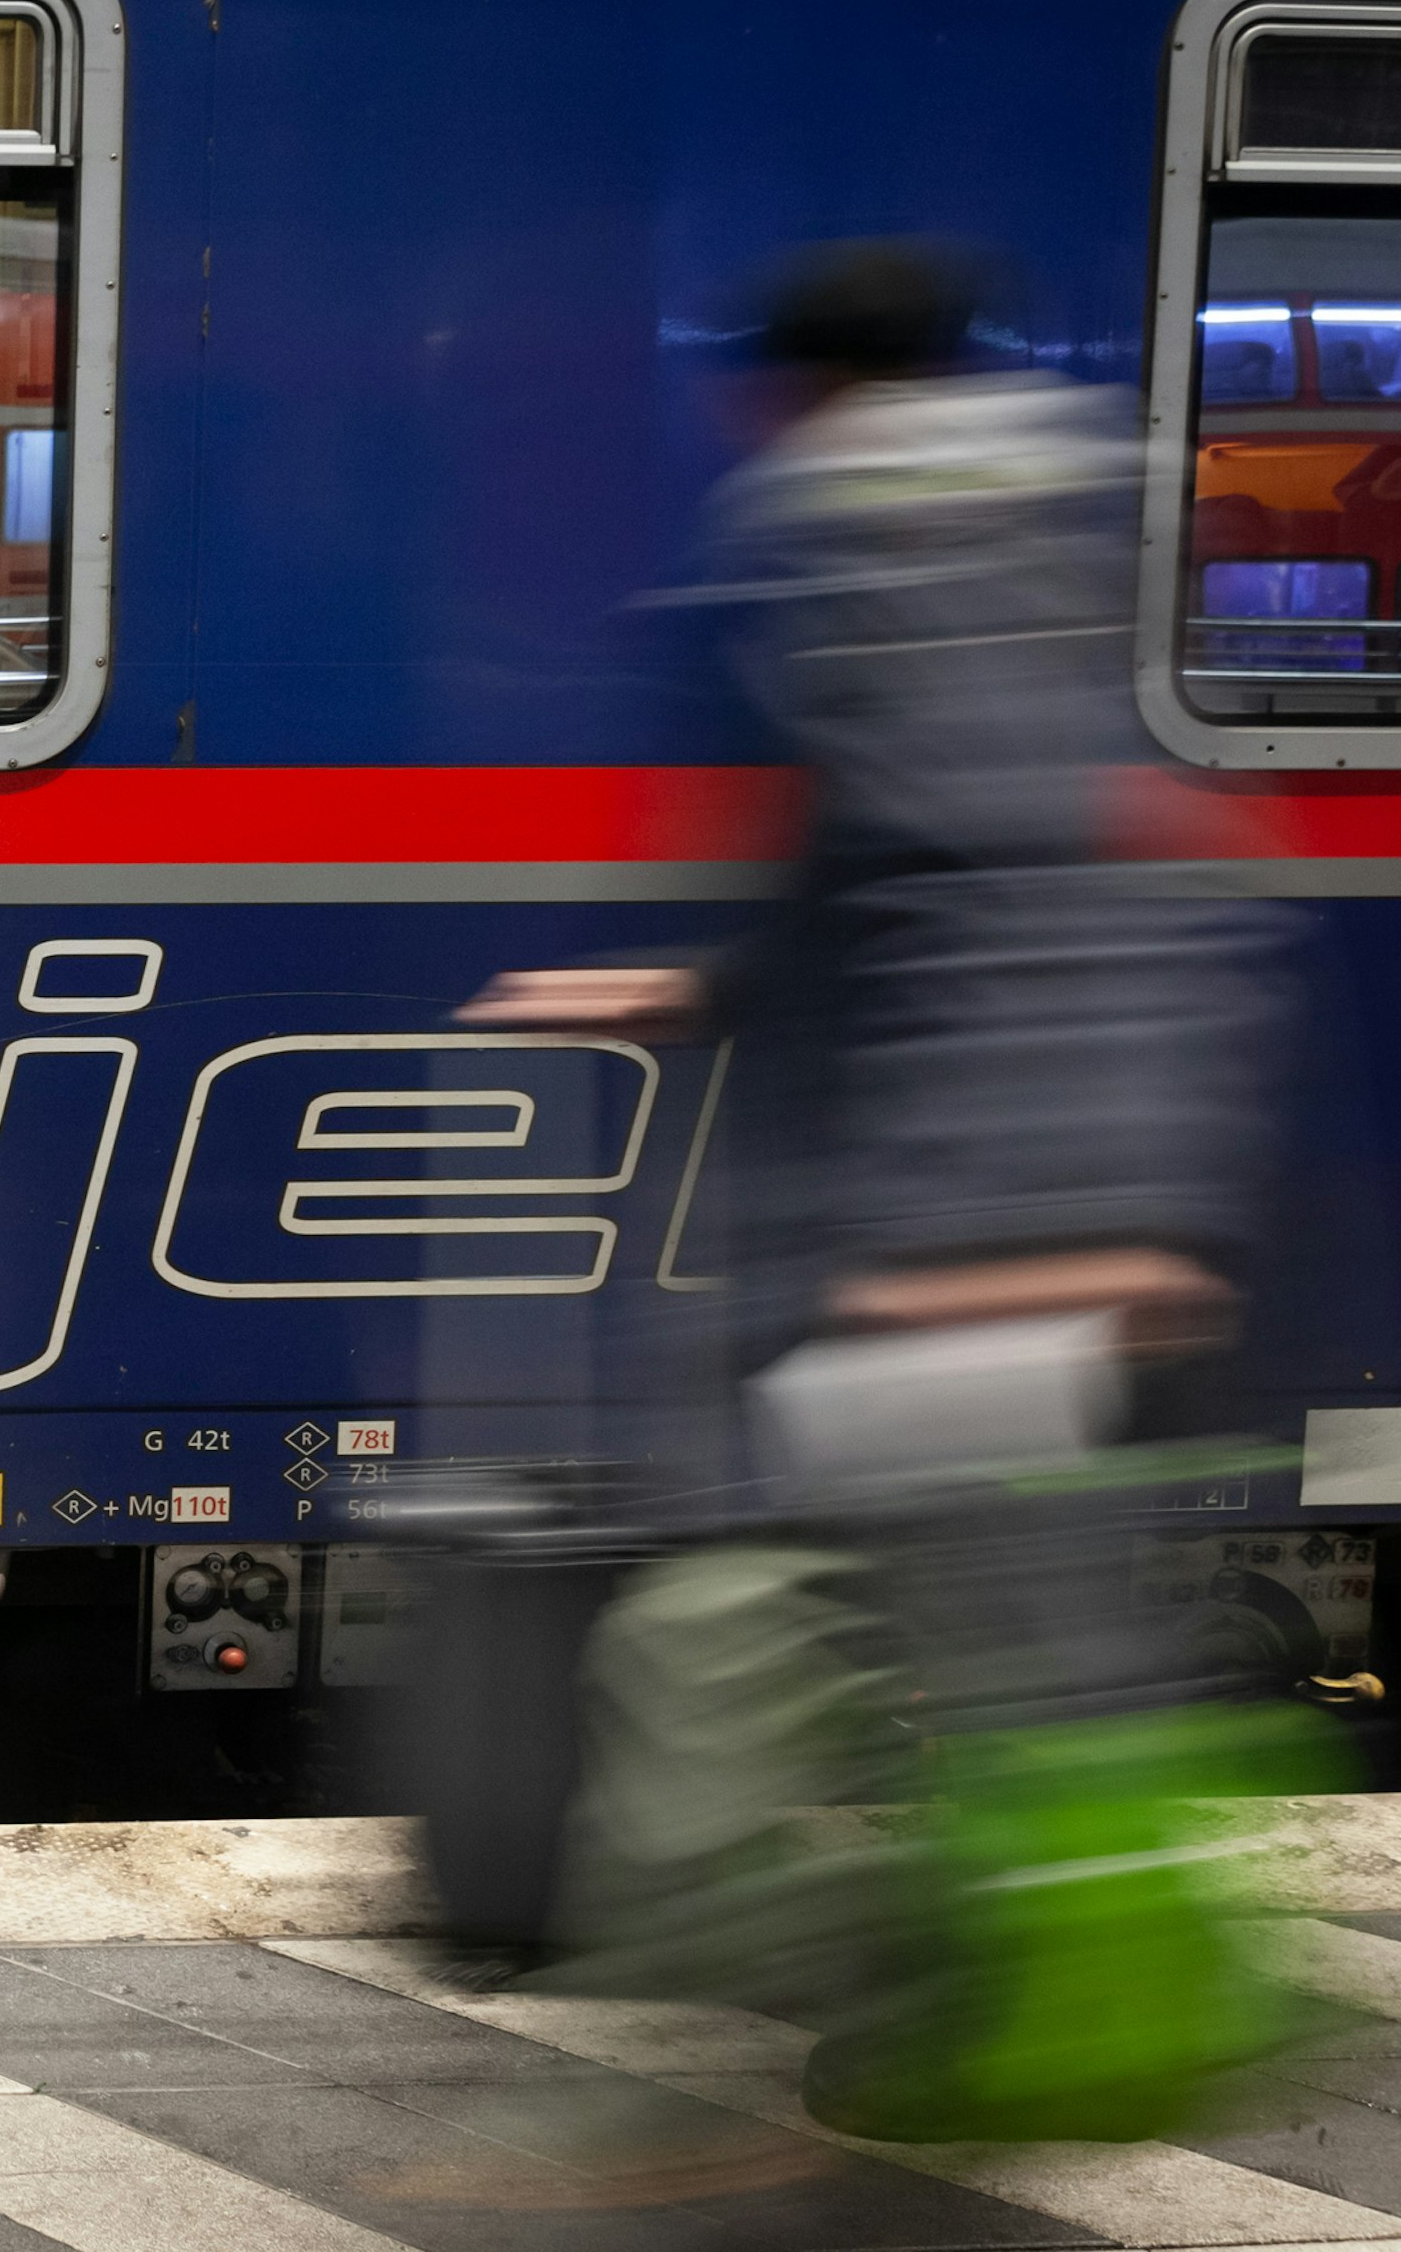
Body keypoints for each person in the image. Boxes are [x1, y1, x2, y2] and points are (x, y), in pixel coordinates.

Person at [451, 239, 1327, 2141]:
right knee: (1029, 1626)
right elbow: (1025, 878)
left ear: (792, 389)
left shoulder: (836, 553)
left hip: (963, 1224)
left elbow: (916, 895)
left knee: (984, 1637)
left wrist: (927, 1252)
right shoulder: (1064, 527)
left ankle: (1069, 2021)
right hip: (1110, 1186)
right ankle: (1095, 1993)